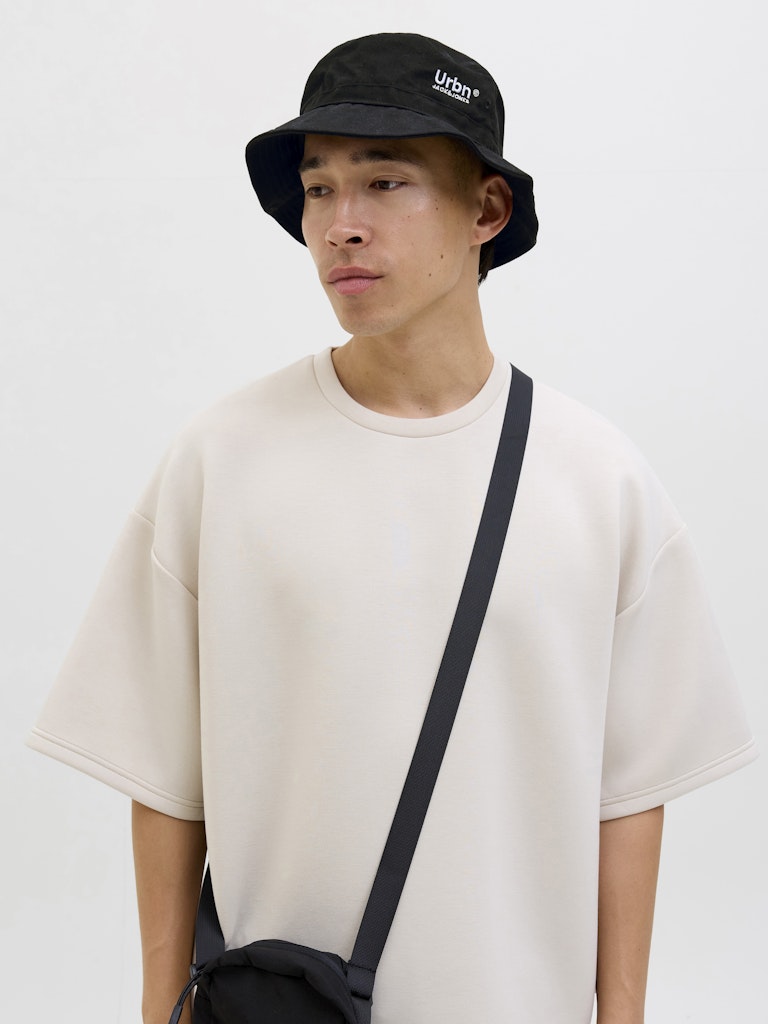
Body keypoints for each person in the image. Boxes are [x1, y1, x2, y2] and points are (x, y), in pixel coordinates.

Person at [28, 31, 756, 1024]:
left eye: (385, 182)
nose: (342, 225)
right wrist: (161, 1009)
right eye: (319, 188)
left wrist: (620, 1014)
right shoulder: (222, 458)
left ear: (486, 211)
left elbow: (628, 796)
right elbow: (162, 775)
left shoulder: (600, 480)